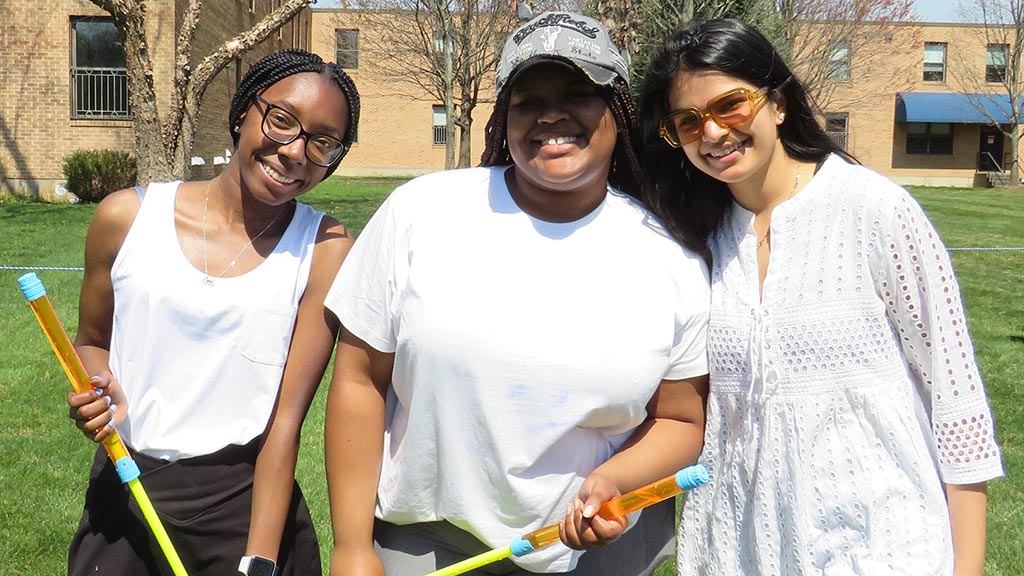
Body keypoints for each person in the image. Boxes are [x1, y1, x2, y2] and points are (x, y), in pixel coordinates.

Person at [323, 11, 710, 576]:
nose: (552, 113)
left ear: (617, 111)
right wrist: (353, 547)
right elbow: (360, 379)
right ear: (505, 116)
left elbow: (681, 420)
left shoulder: (671, 255)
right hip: (425, 547)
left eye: (578, 92)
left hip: (598, 552)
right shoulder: (421, 212)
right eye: (528, 99)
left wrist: (615, 481)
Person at [638, 18, 1004, 576]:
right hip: (743, 547)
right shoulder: (697, 240)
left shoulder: (876, 211)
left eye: (730, 105)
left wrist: (968, 568)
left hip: (881, 542)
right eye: (688, 122)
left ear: (777, 102)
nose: (712, 133)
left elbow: (957, 401)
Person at [65, 49, 360, 576]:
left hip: (244, 506)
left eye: (322, 142)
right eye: (282, 120)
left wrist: (261, 558)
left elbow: (285, 421)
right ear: (244, 110)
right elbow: (91, 340)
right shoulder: (126, 217)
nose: (294, 151)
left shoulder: (325, 248)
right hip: (124, 489)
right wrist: (95, 384)